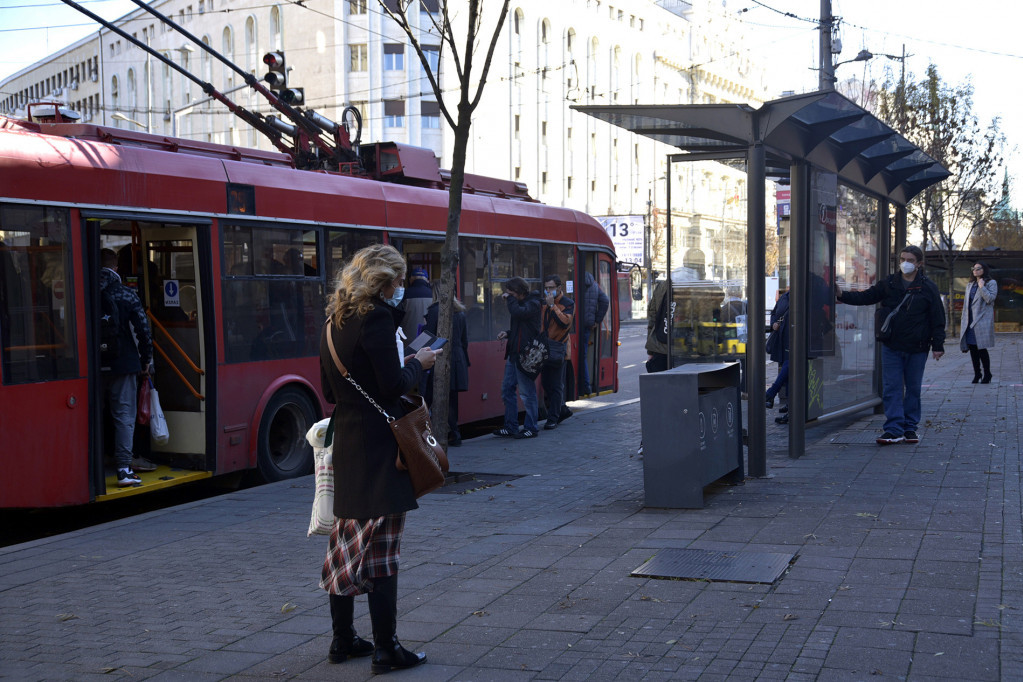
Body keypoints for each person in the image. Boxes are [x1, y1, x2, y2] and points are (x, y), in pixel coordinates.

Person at [318, 244, 440, 673]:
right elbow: (391, 386)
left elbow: (331, 393)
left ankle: (342, 640)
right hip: (381, 447)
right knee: (382, 550)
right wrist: (419, 362)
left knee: (345, 544)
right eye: (399, 280)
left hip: (348, 443)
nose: (402, 287)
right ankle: (387, 649)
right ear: (383, 282)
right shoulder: (378, 318)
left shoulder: (334, 320)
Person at [836, 245, 945, 445]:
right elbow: (866, 297)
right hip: (892, 345)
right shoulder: (889, 283)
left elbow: (937, 318)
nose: (905, 263)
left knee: (913, 389)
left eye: (910, 260)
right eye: (903, 258)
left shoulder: (927, 287)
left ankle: (910, 428)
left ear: (919, 263)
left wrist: (938, 345)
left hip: (918, 347)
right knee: (892, 387)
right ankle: (894, 428)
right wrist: (842, 294)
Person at [99, 248, 155, 486]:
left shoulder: (82, 290)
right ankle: (123, 469)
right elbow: (143, 330)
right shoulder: (126, 293)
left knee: (95, 414)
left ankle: (96, 459)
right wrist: (146, 361)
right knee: (124, 415)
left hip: (90, 366)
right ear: (116, 268)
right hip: (123, 363)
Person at [493, 276, 543, 439]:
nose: (507, 296)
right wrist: (507, 334)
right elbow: (520, 328)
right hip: (514, 353)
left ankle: (531, 427)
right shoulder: (520, 304)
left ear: (519, 292)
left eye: (510, 293)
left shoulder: (534, 303)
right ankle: (511, 426)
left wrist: (510, 300)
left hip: (526, 355)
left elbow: (519, 313)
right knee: (507, 388)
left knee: (527, 393)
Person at [424, 283, 470, 446]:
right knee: (451, 399)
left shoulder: (434, 311)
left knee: (429, 396)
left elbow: (428, 336)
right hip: (458, 359)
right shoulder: (460, 312)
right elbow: (464, 341)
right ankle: (455, 433)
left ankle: (427, 432)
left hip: (440, 357)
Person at [540, 275, 574, 430]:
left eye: (551, 288)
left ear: (559, 288)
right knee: (546, 382)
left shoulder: (567, 303)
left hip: (559, 348)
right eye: (546, 288)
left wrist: (552, 306)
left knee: (556, 384)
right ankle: (562, 410)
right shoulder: (544, 302)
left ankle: (552, 418)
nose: (548, 290)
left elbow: (564, 323)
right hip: (545, 348)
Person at [959, 262, 997, 384]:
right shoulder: (970, 284)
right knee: (973, 349)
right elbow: (966, 304)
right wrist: (963, 320)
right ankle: (977, 374)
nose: (975, 270)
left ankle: (987, 374)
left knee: (981, 349)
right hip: (969, 321)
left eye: (978, 268)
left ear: (984, 270)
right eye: (973, 268)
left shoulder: (991, 283)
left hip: (981, 320)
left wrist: (982, 286)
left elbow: (990, 299)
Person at [578, 270, 609, 395]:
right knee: (583, 355)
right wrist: (597, 320)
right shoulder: (594, 285)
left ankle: (580, 384)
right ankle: (586, 386)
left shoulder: (574, 281)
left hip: (574, 324)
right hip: (587, 324)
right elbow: (605, 301)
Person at [765, 290, 790, 419]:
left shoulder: (805, 295)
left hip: (796, 340)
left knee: (789, 368)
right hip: (783, 340)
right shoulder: (785, 296)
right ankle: (791, 404)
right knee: (788, 371)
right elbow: (774, 313)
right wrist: (774, 323)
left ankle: (771, 392)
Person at [399, 266, 433, 344]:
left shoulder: (403, 294)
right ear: (427, 281)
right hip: (428, 339)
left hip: (407, 340)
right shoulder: (433, 294)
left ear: (411, 280)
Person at [645, 278, 671, 373]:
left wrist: (651, 352)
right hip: (688, 349)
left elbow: (653, 318)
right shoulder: (699, 285)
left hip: (661, 347)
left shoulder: (662, 286)